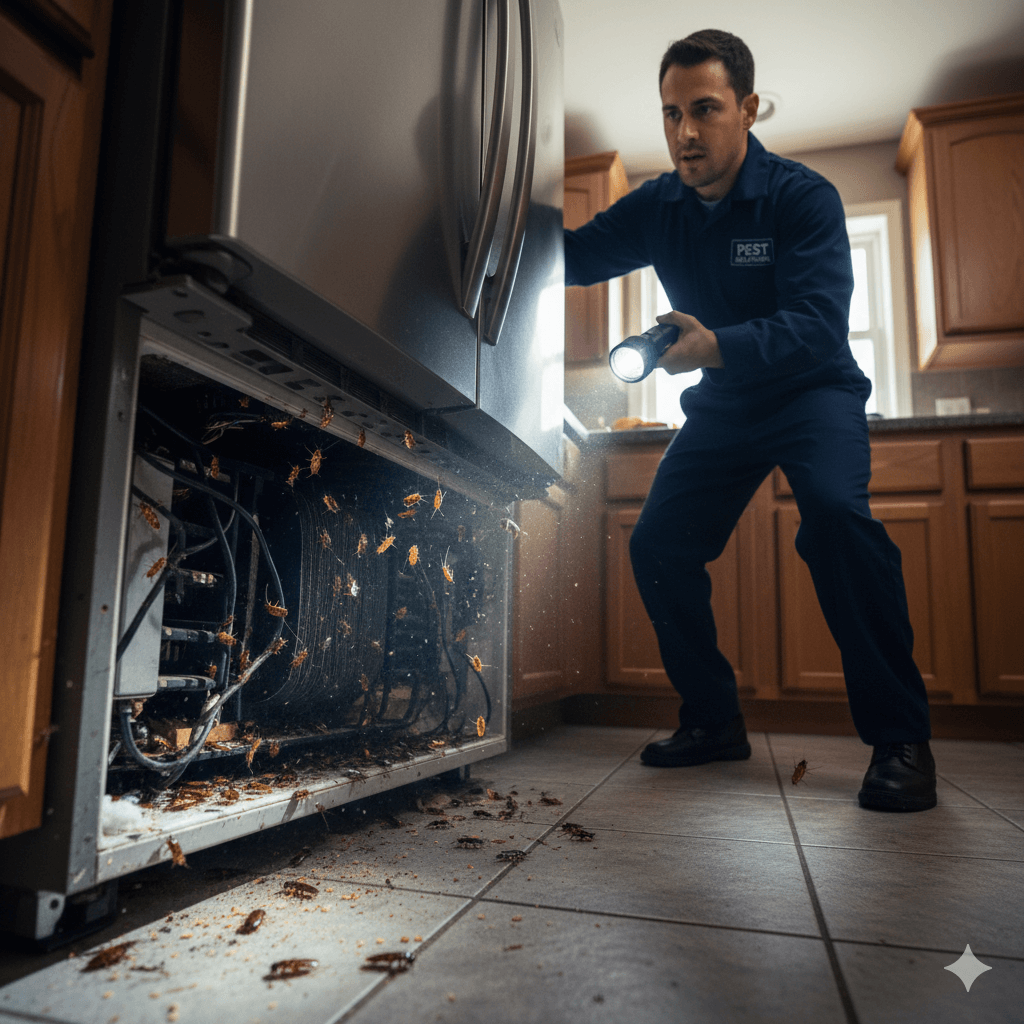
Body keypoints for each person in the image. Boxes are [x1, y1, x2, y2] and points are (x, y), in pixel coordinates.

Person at [564, 29, 937, 812]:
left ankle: (901, 738)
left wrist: (715, 345)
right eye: (670, 114)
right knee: (660, 544)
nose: (685, 133)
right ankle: (713, 721)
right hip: (726, 407)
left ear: (748, 107)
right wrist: (481, 214)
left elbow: (816, 321)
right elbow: (567, 257)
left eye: (704, 109)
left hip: (813, 396)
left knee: (837, 519)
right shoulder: (659, 205)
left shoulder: (802, 197)